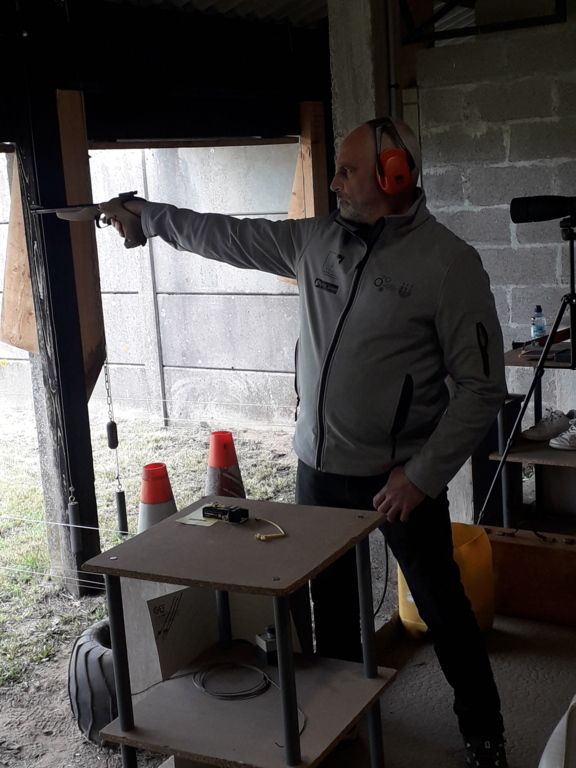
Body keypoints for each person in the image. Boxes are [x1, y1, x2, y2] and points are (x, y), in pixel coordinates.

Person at [100, 116, 508, 767]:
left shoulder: (449, 265)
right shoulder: (316, 242)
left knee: (442, 607)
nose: (334, 181)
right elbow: (230, 236)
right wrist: (149, 217)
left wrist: (422, 475)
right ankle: (346, 730)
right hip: (319, 470)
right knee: (332, 611)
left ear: (393, 176)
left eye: (347, 170)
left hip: (400, 480)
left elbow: (483, 389)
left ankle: (485, 733)